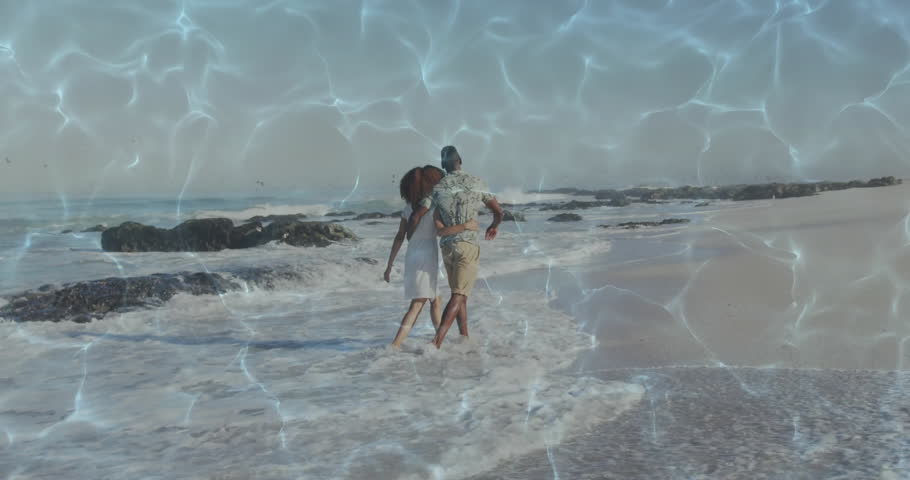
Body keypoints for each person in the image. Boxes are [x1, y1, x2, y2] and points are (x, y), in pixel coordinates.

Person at [406, 146, 503, 349]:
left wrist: (410, 240)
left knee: (460, 296)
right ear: (461, 160)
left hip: (448, 248)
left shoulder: (438, 188)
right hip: (467, 245)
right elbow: (498, 211)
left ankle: (464, 337)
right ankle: (436, 342)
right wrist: (493, 226)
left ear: (443, 165)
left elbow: (416, 215)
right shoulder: (477, 182)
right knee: (459, 295)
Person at [384, 165, 479, 349]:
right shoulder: (433, 207)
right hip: (426, 255)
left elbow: (399, 237)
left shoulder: (409, 207)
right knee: (417, 304)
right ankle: (394, 345)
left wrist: (389, 265)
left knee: (435, 299)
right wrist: (465, 226)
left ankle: (439, 340)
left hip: (413, 254)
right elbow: (442, 231)